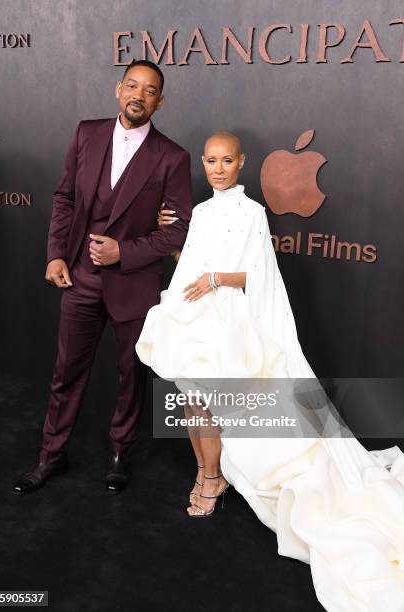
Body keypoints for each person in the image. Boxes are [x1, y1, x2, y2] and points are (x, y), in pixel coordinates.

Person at [136, 131, 404, 611]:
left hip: (234, 319)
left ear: (241, 163)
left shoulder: (252, 213)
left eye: (227, 161)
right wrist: (179, 253)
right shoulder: (199, 213)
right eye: (211, 161)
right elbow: (190, 264)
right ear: (205, 162)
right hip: (194, 316)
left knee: (216, 399)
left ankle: (212, 477)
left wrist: (217, 279)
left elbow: (259, 274)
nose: (218, 169)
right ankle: (206, 473)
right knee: (193, 398)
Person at [12, 60, 192, 495]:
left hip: (135, 283)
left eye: (149, 90)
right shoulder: (85, 134)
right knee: (66, 372)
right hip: (79, 277)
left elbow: (178, 229)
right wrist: (56, 254)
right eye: (132, 85)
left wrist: (123, 251)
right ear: (118, 90)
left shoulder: (173, 156)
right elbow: (65, 198)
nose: (138, 95)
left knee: (131, 374)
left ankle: (119, 452)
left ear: (159, 101)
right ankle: (51, 455)